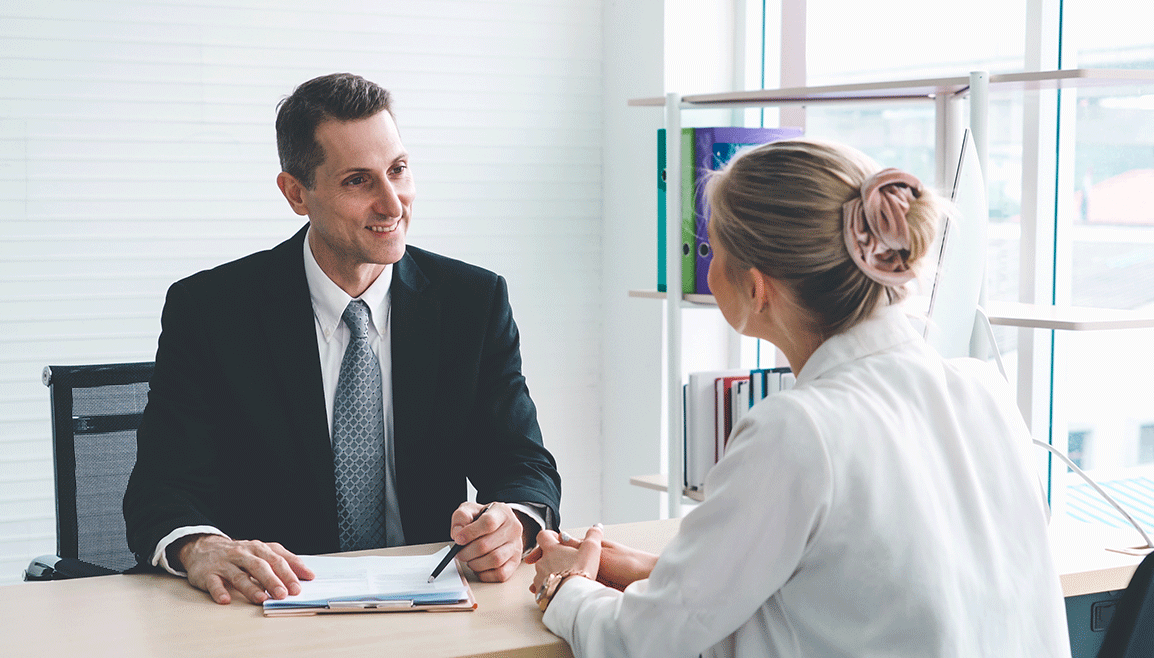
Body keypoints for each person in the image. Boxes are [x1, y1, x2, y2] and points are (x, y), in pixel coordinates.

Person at [525, 139, 1071, 657]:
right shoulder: (984, 392)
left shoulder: (799, 429)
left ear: (758, 288)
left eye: (713, 250)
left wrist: (566, 587)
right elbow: (863, 588)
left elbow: (645, 641)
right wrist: (661, 572)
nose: (706, 267)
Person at [123, 73, 561, 605]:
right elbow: (160, 491)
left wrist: (511, 521)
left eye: (398, 170)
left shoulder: (471, 302)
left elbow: (523, 463)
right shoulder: (213, 312)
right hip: (272, 613)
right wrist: (200, 547)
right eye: (358, 181)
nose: (392, 204)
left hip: (431, 609)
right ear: (296, 193)